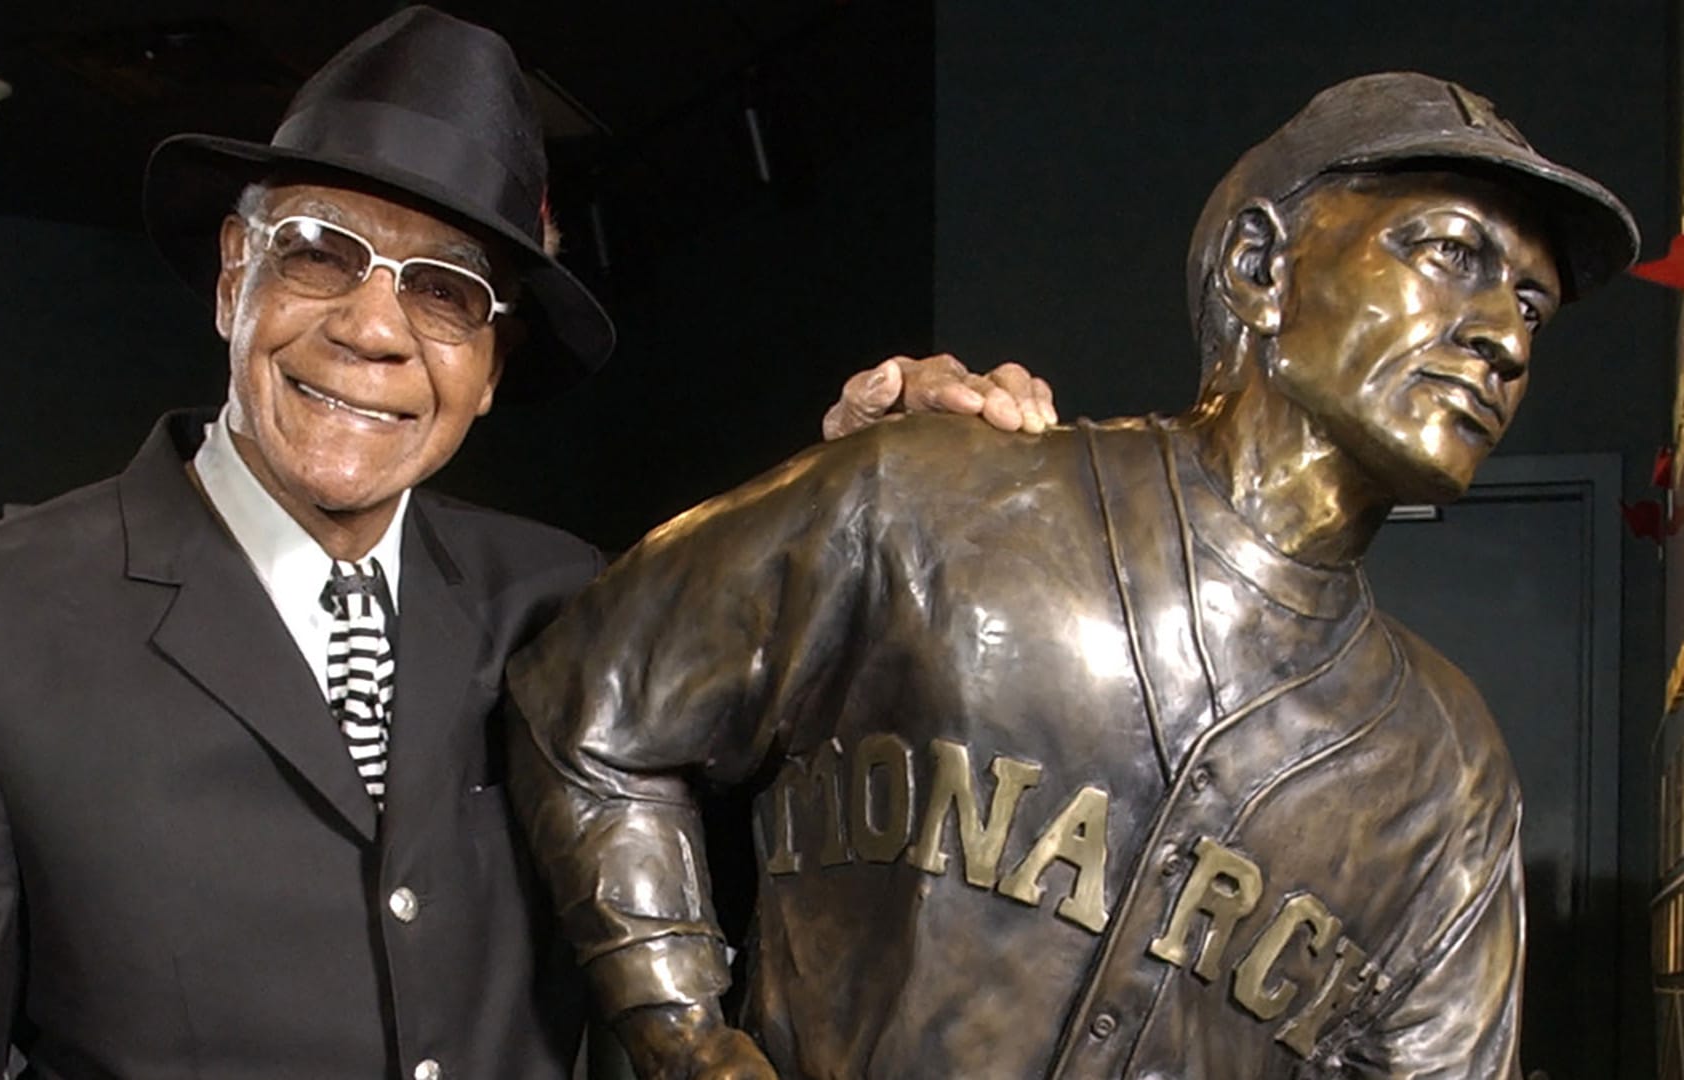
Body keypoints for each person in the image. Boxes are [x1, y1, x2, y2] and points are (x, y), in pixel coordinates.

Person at [0, 8, 1051, 1079]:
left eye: (445, 291)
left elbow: (806, 854)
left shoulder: (571, 602)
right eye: (320, 255)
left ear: (492, 367)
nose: (373, 328)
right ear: (235, 273)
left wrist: (864, 502)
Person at [506, 72, 1639, 1078]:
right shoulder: (936, 496)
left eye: (1532, 304)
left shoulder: (1446, 774)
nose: (1505, 337)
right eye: (1450, 254)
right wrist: (686, 1040)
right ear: (1260, 268)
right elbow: (585, 708)